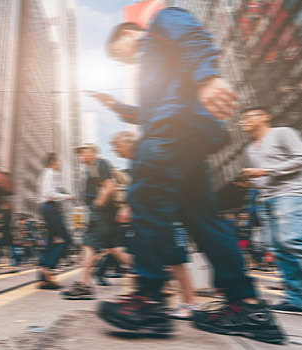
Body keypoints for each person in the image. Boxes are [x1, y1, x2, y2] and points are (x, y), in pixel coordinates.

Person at [89, 1, 284, 343]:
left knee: (147, 203)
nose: (126, 60)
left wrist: (208, 79)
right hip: (183, 137)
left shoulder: (164, 19)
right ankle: (247, 305)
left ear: (128, 34)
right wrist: (115, 106)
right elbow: (147, 112)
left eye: (121, 54)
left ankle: (148, 299)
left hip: (168, 134)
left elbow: (193, 37)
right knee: (205, 219)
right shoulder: (160, 68)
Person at [110, 130, 197, 319]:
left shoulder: (147, 153)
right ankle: (150, 297)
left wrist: (129, 206)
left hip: (170, 215)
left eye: (117, 145)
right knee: (151, 256)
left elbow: (161, 182)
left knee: (176, 261)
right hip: (153, 217)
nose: (116, 150)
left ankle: (190, 303)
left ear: (127, 142)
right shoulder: (136, 161)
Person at [239, 106, 302, 313]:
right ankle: (297, 300)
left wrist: (266, 171)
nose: (245, 121)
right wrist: (253, 182)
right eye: (242, 119)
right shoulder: (250, 149)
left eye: (250, 116)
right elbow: (264, 178)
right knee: (280, 250)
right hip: (266, 199)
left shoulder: (282, 133)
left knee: (292, 241)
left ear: (266, 117)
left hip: (291, 195)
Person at [61, 144, 126, 300]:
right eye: (80, 153)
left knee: (89, 244)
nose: (81, 156)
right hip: (104, 213)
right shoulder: (91, 168)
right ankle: (151, 275)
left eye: (83, 153)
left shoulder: (100, 164)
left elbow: (110, 187)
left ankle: (84, 285)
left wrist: (98, 204)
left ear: (92, 153)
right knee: (115, 249)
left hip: (100, 212)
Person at [38, 153, 74, 289]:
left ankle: (43, 278)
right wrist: (67, 197)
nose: (60, 163)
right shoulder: (50, 173)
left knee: (51, 241)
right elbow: (49, 194)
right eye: (58, 160)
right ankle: (47, 268)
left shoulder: (49, 174)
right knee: (66, 240)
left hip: (49, 209)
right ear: (53, 161)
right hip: (50, 208)